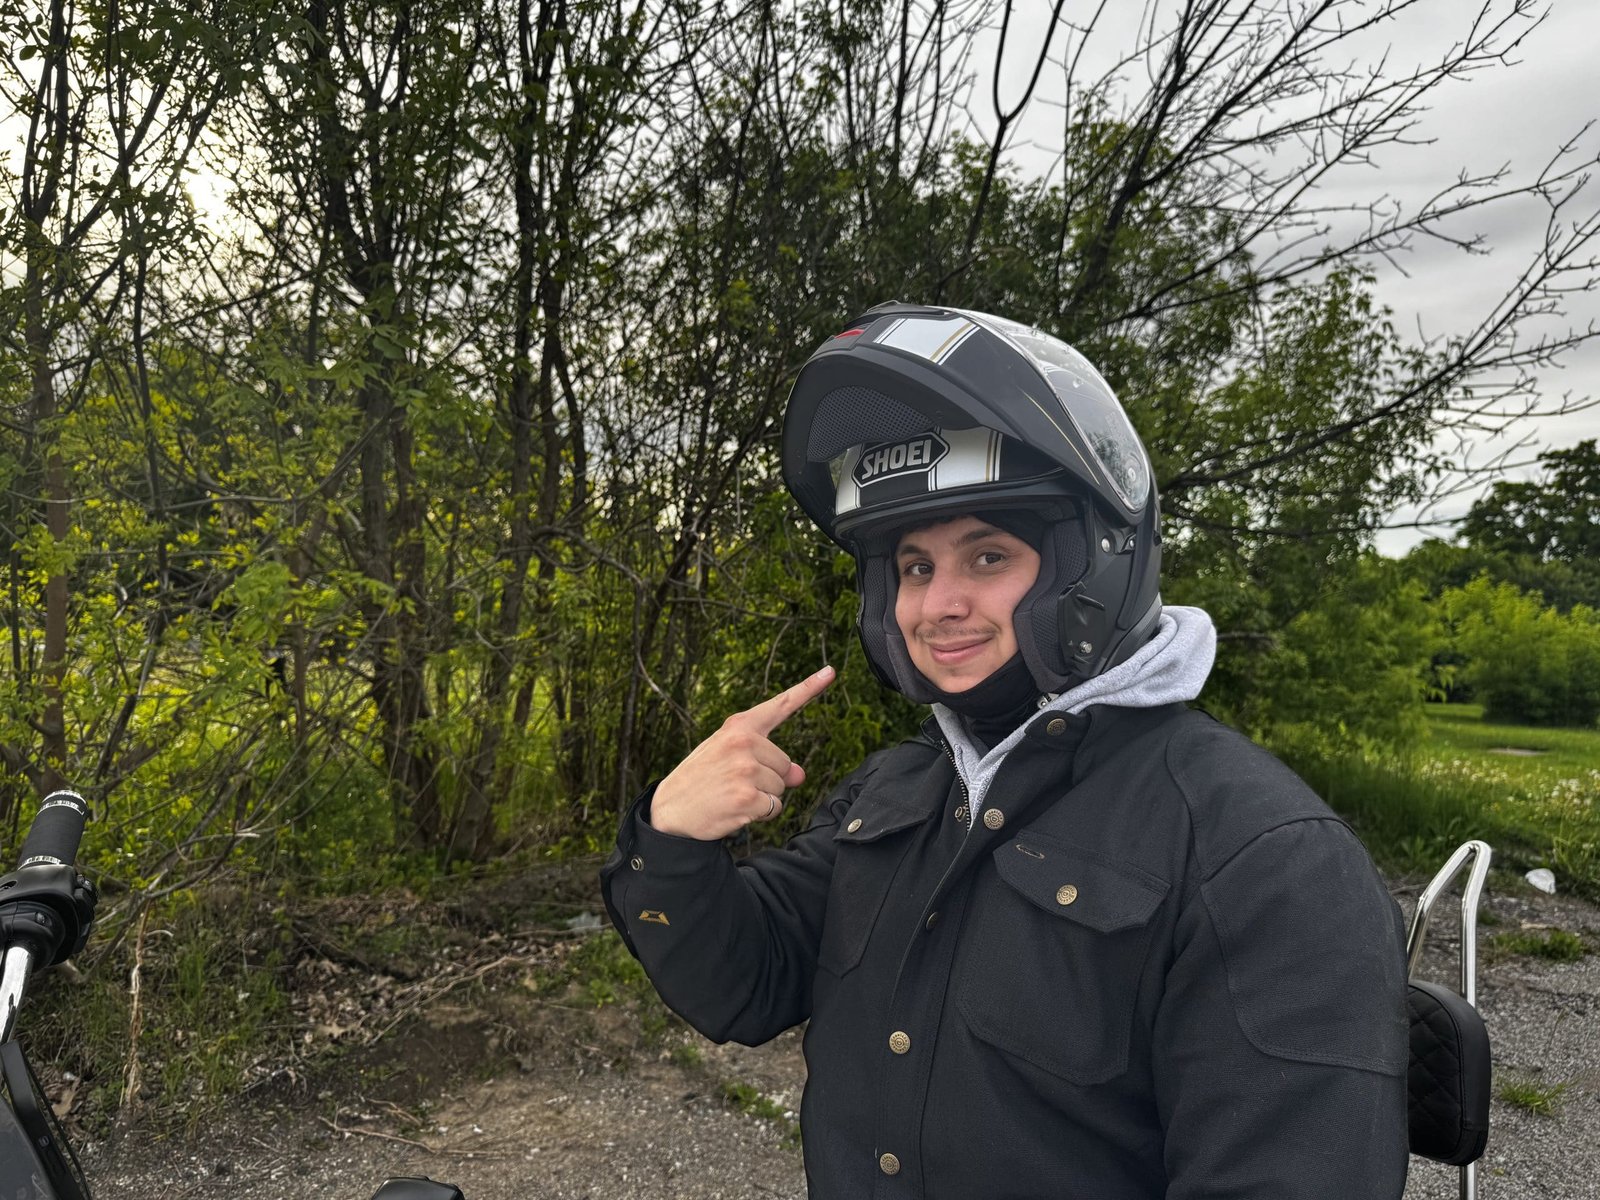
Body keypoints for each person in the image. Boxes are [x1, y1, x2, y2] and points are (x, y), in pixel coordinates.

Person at [600, 303, 1409, 1198]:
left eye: (987, 558)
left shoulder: (1263, 856)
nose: (938, 604)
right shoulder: (902, 786)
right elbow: (748, 983)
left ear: (1091, 562)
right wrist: (671, 844)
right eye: (915, 566)